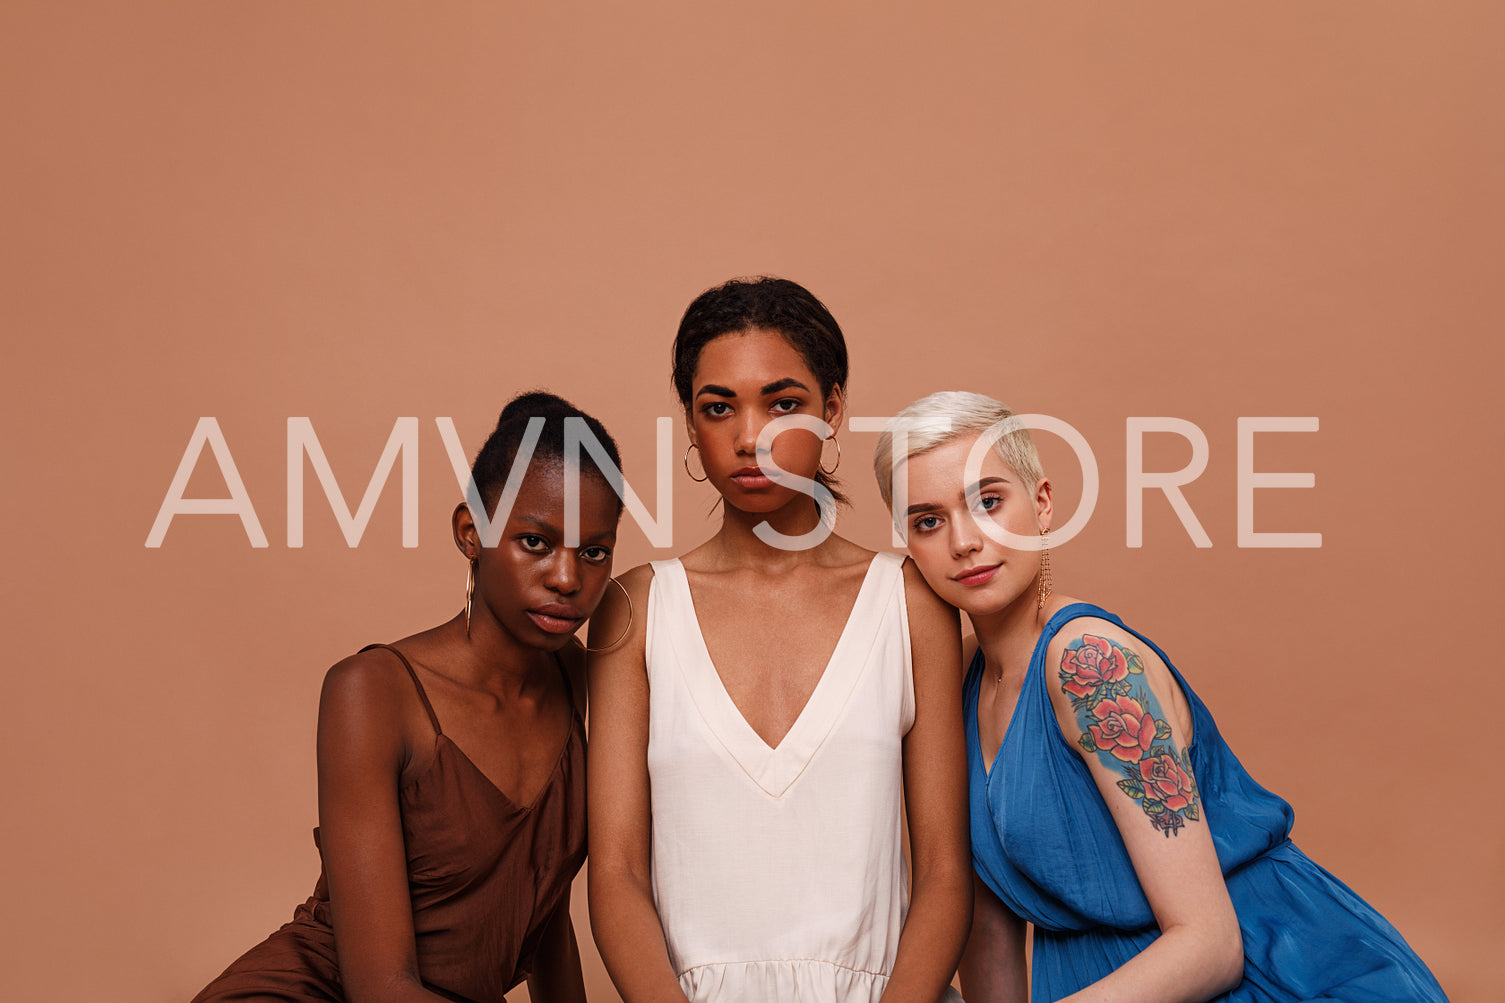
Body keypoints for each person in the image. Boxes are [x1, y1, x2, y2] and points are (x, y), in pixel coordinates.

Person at [874, 390, 1449, 1003]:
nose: (963, 540)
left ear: (1043, 504)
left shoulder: (1090, 666)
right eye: (928, 521)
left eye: (988, 502)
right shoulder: (953, 682)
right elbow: (988, 929)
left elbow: (1210, 946)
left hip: (1273, 975)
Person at [586, 277, 972, 1003]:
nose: (747, 435)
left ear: (831, 410)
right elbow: (615, 874)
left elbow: (946, 872)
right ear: (690, 424)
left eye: (783, 402)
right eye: (717, 406)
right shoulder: (635, 608)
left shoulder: (909, 600)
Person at [193, 391, 627, 1003]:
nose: (566, 577)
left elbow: (543, 908)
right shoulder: (371, 692)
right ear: (470, 532)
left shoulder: (587, 682)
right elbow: (380, 988)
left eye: (594, 552)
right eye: (535, 542)